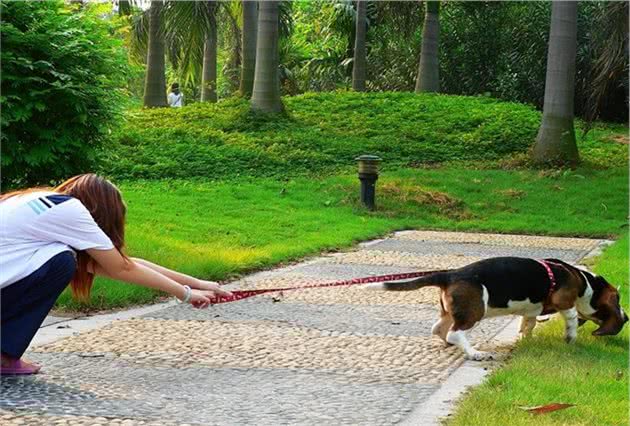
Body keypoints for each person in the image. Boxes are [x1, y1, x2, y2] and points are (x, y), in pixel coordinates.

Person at [0, 174, 232, 375]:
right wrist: (186, 294)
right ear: (101, 210)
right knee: (62, 262)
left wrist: (199, 284)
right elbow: (122, 268)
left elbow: (124, 264)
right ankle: (4, 355)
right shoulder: (70, 210)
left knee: (62, 258)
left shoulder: (37, 202)